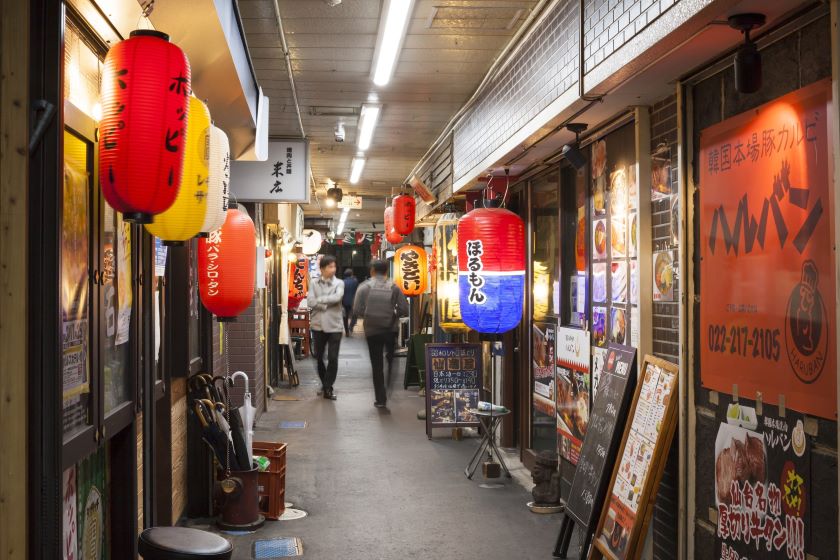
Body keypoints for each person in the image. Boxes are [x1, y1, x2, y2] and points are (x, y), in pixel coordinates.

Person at [353, 259, 409, 408]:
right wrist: (393, 313)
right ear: (386, 271)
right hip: (390, 329)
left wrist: (368, 315)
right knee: (391, 360)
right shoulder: (394, 286)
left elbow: (357, 310)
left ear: (372, 270)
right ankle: (389, 386)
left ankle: (381, 398)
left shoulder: (364, 287)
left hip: (372, 330)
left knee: (376, 364)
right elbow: (404, 309)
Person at [307, 255, 344, 400]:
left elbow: (338, 297)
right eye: (329, 266)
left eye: (334, 266)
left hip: (335, 325)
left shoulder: (339, 283)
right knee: (318, 357)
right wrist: (325, 304)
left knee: (333, 358)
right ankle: (325, 383)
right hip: (318, 325)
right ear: (322, 269)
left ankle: (328, 387)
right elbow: (310, 301)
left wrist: (320, 301)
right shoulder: (314, 283)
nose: (333, 269)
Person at [342, 268, 359, 336]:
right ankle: (351, 326)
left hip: (345, 301)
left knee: (345, 317)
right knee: (355, 315)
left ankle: (346, 331)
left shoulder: (343, 282)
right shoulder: (355, 281)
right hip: (354, 301)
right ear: (352, 274)